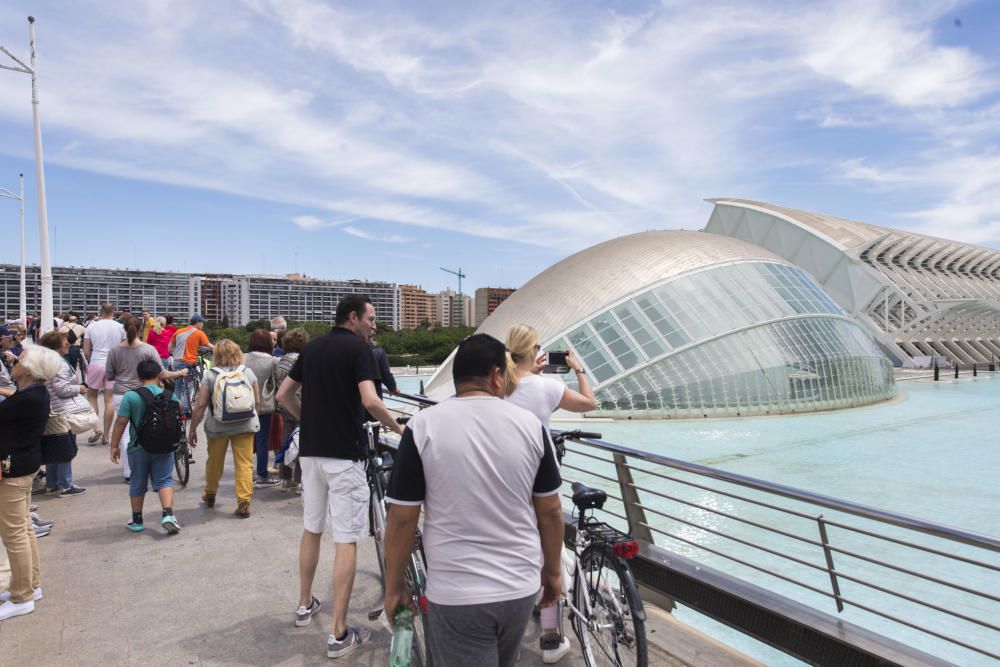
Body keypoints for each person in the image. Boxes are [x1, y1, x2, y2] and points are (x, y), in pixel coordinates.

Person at [383, 334, 565, 667]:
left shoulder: (422, 427)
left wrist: (394, 587)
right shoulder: (530, 426)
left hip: (455, 592)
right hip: (519, 588)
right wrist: (552, 572)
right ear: (497, 375)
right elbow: (551, 512)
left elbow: (401, 520)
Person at [276, 295, 402, 660]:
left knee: (312, 528)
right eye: (371, 318)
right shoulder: (359, 350)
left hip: (311, 453)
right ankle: (339, 633)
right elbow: (370, 400)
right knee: (346, 539)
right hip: (344, 456)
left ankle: (304, 604)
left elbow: (285, 394)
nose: (374, 325)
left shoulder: (312, 348)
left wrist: (306, 420)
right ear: (353, 317)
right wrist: (397, 429)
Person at [504, 324, 597, 662]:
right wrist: (578, 369)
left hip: (506, 480)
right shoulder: (548, 387)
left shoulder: (499, 386)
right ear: (533, 352)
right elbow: (589, 402)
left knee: (517, 545)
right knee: (549, 554)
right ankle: (550, 638)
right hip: (541, 479)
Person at [0, 345, 65, 621]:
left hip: (12, 469)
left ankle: (22, 595)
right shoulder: (35, 394)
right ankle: (29, 585)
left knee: (14, 533)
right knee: (23, 529)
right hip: (24, 464)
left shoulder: (27, 398)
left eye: (20, 359)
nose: (14, 360)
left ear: (28, 369)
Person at [106, 316, 186, 481]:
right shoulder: (148, 350)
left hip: (121, 393)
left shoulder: (114, 350)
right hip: (146, 394)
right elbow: (162, 372)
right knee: (150, 426)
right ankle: (153, 463)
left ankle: (130, 471)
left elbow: (109, 374)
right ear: (142, 330)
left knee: (126, 434)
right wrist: (179, 373)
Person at [188, 339, 260, 518]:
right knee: (244, 464)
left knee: (214, 461)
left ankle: (210, 493)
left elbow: (200, 405)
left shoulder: (211, 375)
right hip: (245, 425)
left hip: (218, 426)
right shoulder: (247, 372)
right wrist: (252, 419)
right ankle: (244, 501)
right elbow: (257, 401)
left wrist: (193, 428)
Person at [108, 360, 181, 534]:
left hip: (138, 446)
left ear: (139, 377)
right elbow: (179, 409)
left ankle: (137, 520)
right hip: (164, 445)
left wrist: (114, 445)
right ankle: (168, 514)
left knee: (137, 482)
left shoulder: (131, 396)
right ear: (159, 375)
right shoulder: (169, 394)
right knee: (164, 480)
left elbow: (121, 422)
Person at [37, 331, 89, 497]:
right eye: (65, 341)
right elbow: (62, 388)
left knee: (54, 445)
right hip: (62, 409)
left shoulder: (46, 361)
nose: (68, 344)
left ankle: (52, 483)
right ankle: (65, 484)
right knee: (65, 447)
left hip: (51, 408)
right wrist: (79, 388)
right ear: (57, 345)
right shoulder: (59, 363)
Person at [82, 302, 126, 445]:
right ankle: (106, 435)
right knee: (109, 400)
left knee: (92, 396)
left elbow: (86, 350)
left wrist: (90, 361)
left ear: (100, 311)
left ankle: (96, 428)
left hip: (96, 362)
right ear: (114, 311)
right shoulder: (120, 327)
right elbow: (124, 348)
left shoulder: (92, 326)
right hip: (113, 364)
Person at [243, 328, 280, 487]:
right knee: (262, 441)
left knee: (244, 441)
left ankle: (246, 474)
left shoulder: (242, 358)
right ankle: (262, 474)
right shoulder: (272, 361)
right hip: (264, 406)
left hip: (242, 405)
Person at [275, 327, 309, 492]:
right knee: (302, 442)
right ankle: (300, 479)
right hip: (301, 404)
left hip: (284, 406)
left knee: (286, 441)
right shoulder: (302, 360)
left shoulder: (280, 360)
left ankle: (285, 478)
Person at [168, 314, 213, 415]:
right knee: (188, 387)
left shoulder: (178, 331)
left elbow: (170, 348)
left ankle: (175, 410)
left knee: (178, 387)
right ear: (197, 322)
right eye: (202, 322)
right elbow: (209, 346)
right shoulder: (199, 333)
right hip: (188, 363)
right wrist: (222, 350)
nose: (203, 324)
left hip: (176, 362)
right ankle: (185, 411)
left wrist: (176, 352)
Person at [368, 330, 396, 399]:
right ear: (371, 336)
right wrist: (393, 388)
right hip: (373, 397)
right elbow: (386, 375)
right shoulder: (378, 352)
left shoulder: (349, 349)